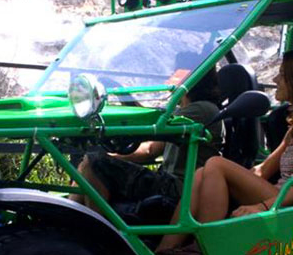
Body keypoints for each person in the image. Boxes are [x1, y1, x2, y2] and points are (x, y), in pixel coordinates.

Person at [157, 49, 293, 252]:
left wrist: (261, 207)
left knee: (215, 164)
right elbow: (263, 170)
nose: (275, 78)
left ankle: (204, 252)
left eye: (282, 74)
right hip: (280, 196)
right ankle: (165, 253)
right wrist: (233, 177)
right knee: (201, 173)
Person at [72, 65, 223, 221]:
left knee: (93, 162)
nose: (172, 77)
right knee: (89, 163)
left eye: (178, 73)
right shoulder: (184, 110)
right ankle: (69, 219)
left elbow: (152, 126)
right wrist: (110, 156)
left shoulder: (201, 109)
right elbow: (150, 148)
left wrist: (103, 158)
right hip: (166, 181)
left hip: (178, 188)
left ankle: (94, 230)